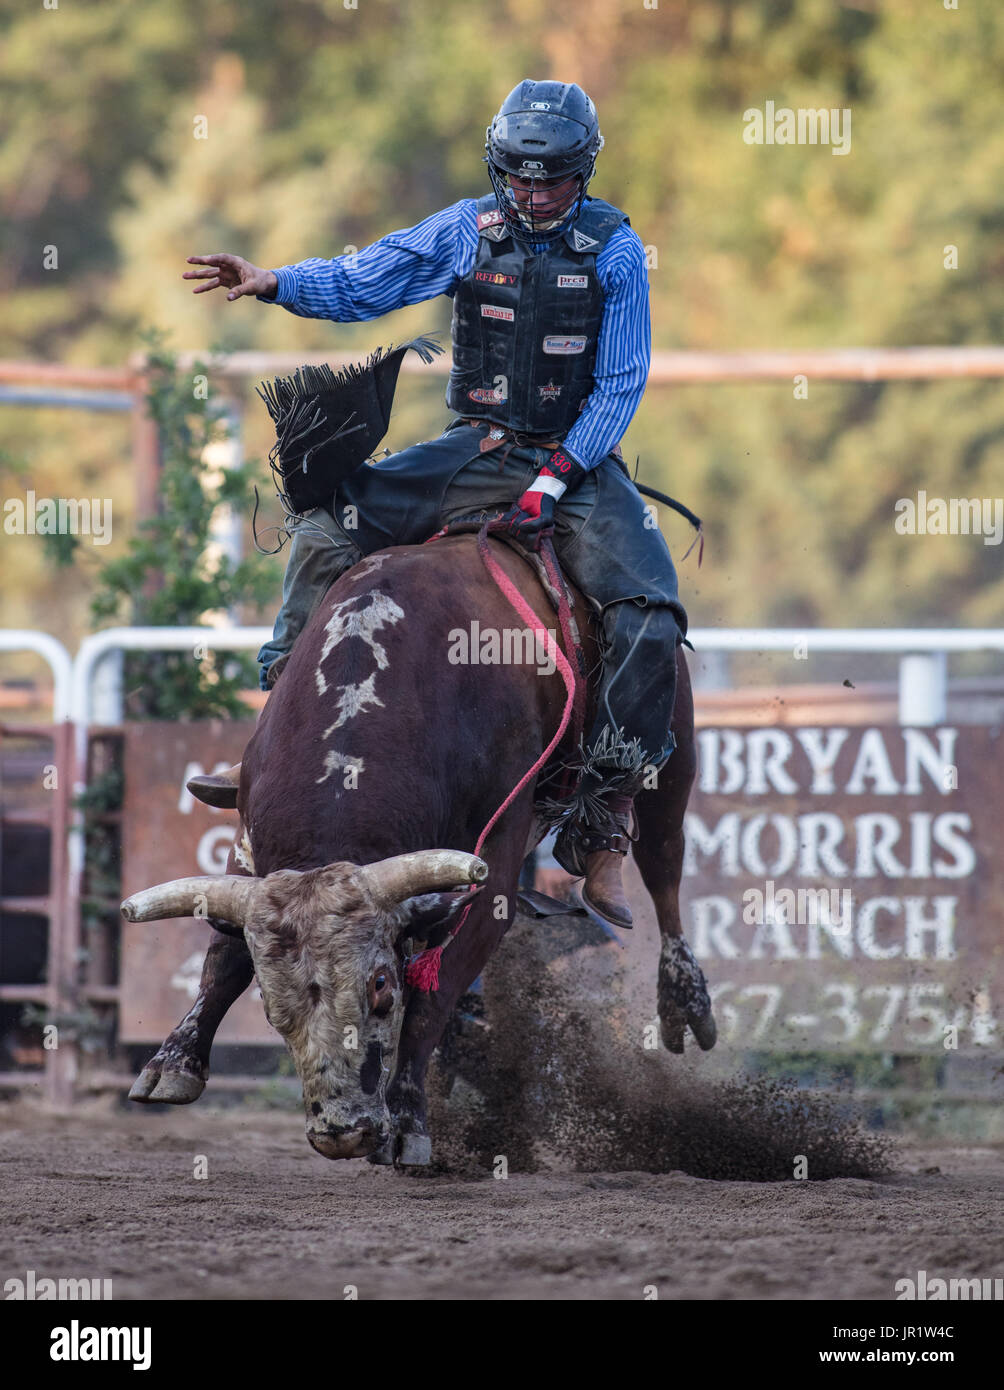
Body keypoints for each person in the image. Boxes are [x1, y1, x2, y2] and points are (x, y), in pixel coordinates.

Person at [183, 79, 687, 929]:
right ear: (499, 169)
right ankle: (275, 732)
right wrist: (273, 282)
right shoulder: (465, 229)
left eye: (553, 178)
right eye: (520, 177)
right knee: (324, 523)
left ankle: (605, 812)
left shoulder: (617, 254)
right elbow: (368, 279)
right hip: (477, 446)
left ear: (583, 173)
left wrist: (554, 476)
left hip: (579, 460)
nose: (533, 193)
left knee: (649, 614)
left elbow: (620, 383)